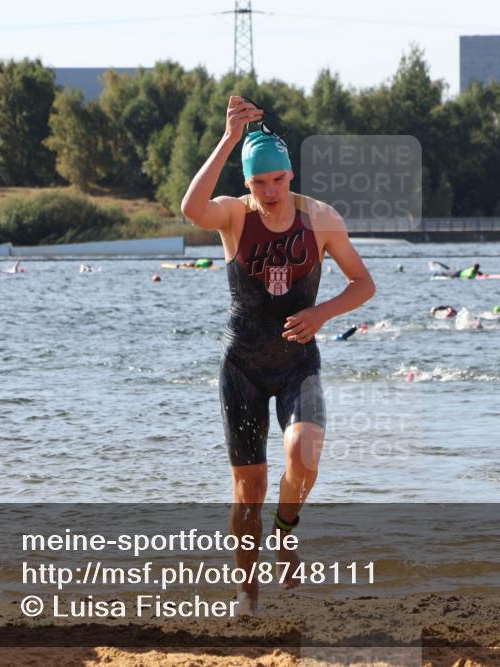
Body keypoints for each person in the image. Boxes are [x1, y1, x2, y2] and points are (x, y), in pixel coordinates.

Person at [181, 96, 375, 614]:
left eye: (277, 181)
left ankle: (286, 530)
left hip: (296, 363)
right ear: (247, 184)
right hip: (242, 366)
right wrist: (227, 139)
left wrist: (323, 314)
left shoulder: (322, 220)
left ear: (290, 176)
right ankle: (247, 592)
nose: (269, 193)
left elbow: (363, 283)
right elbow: (190, 209)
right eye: (258, 183)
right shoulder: (233, 218)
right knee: (249, 489)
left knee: (303, 454)